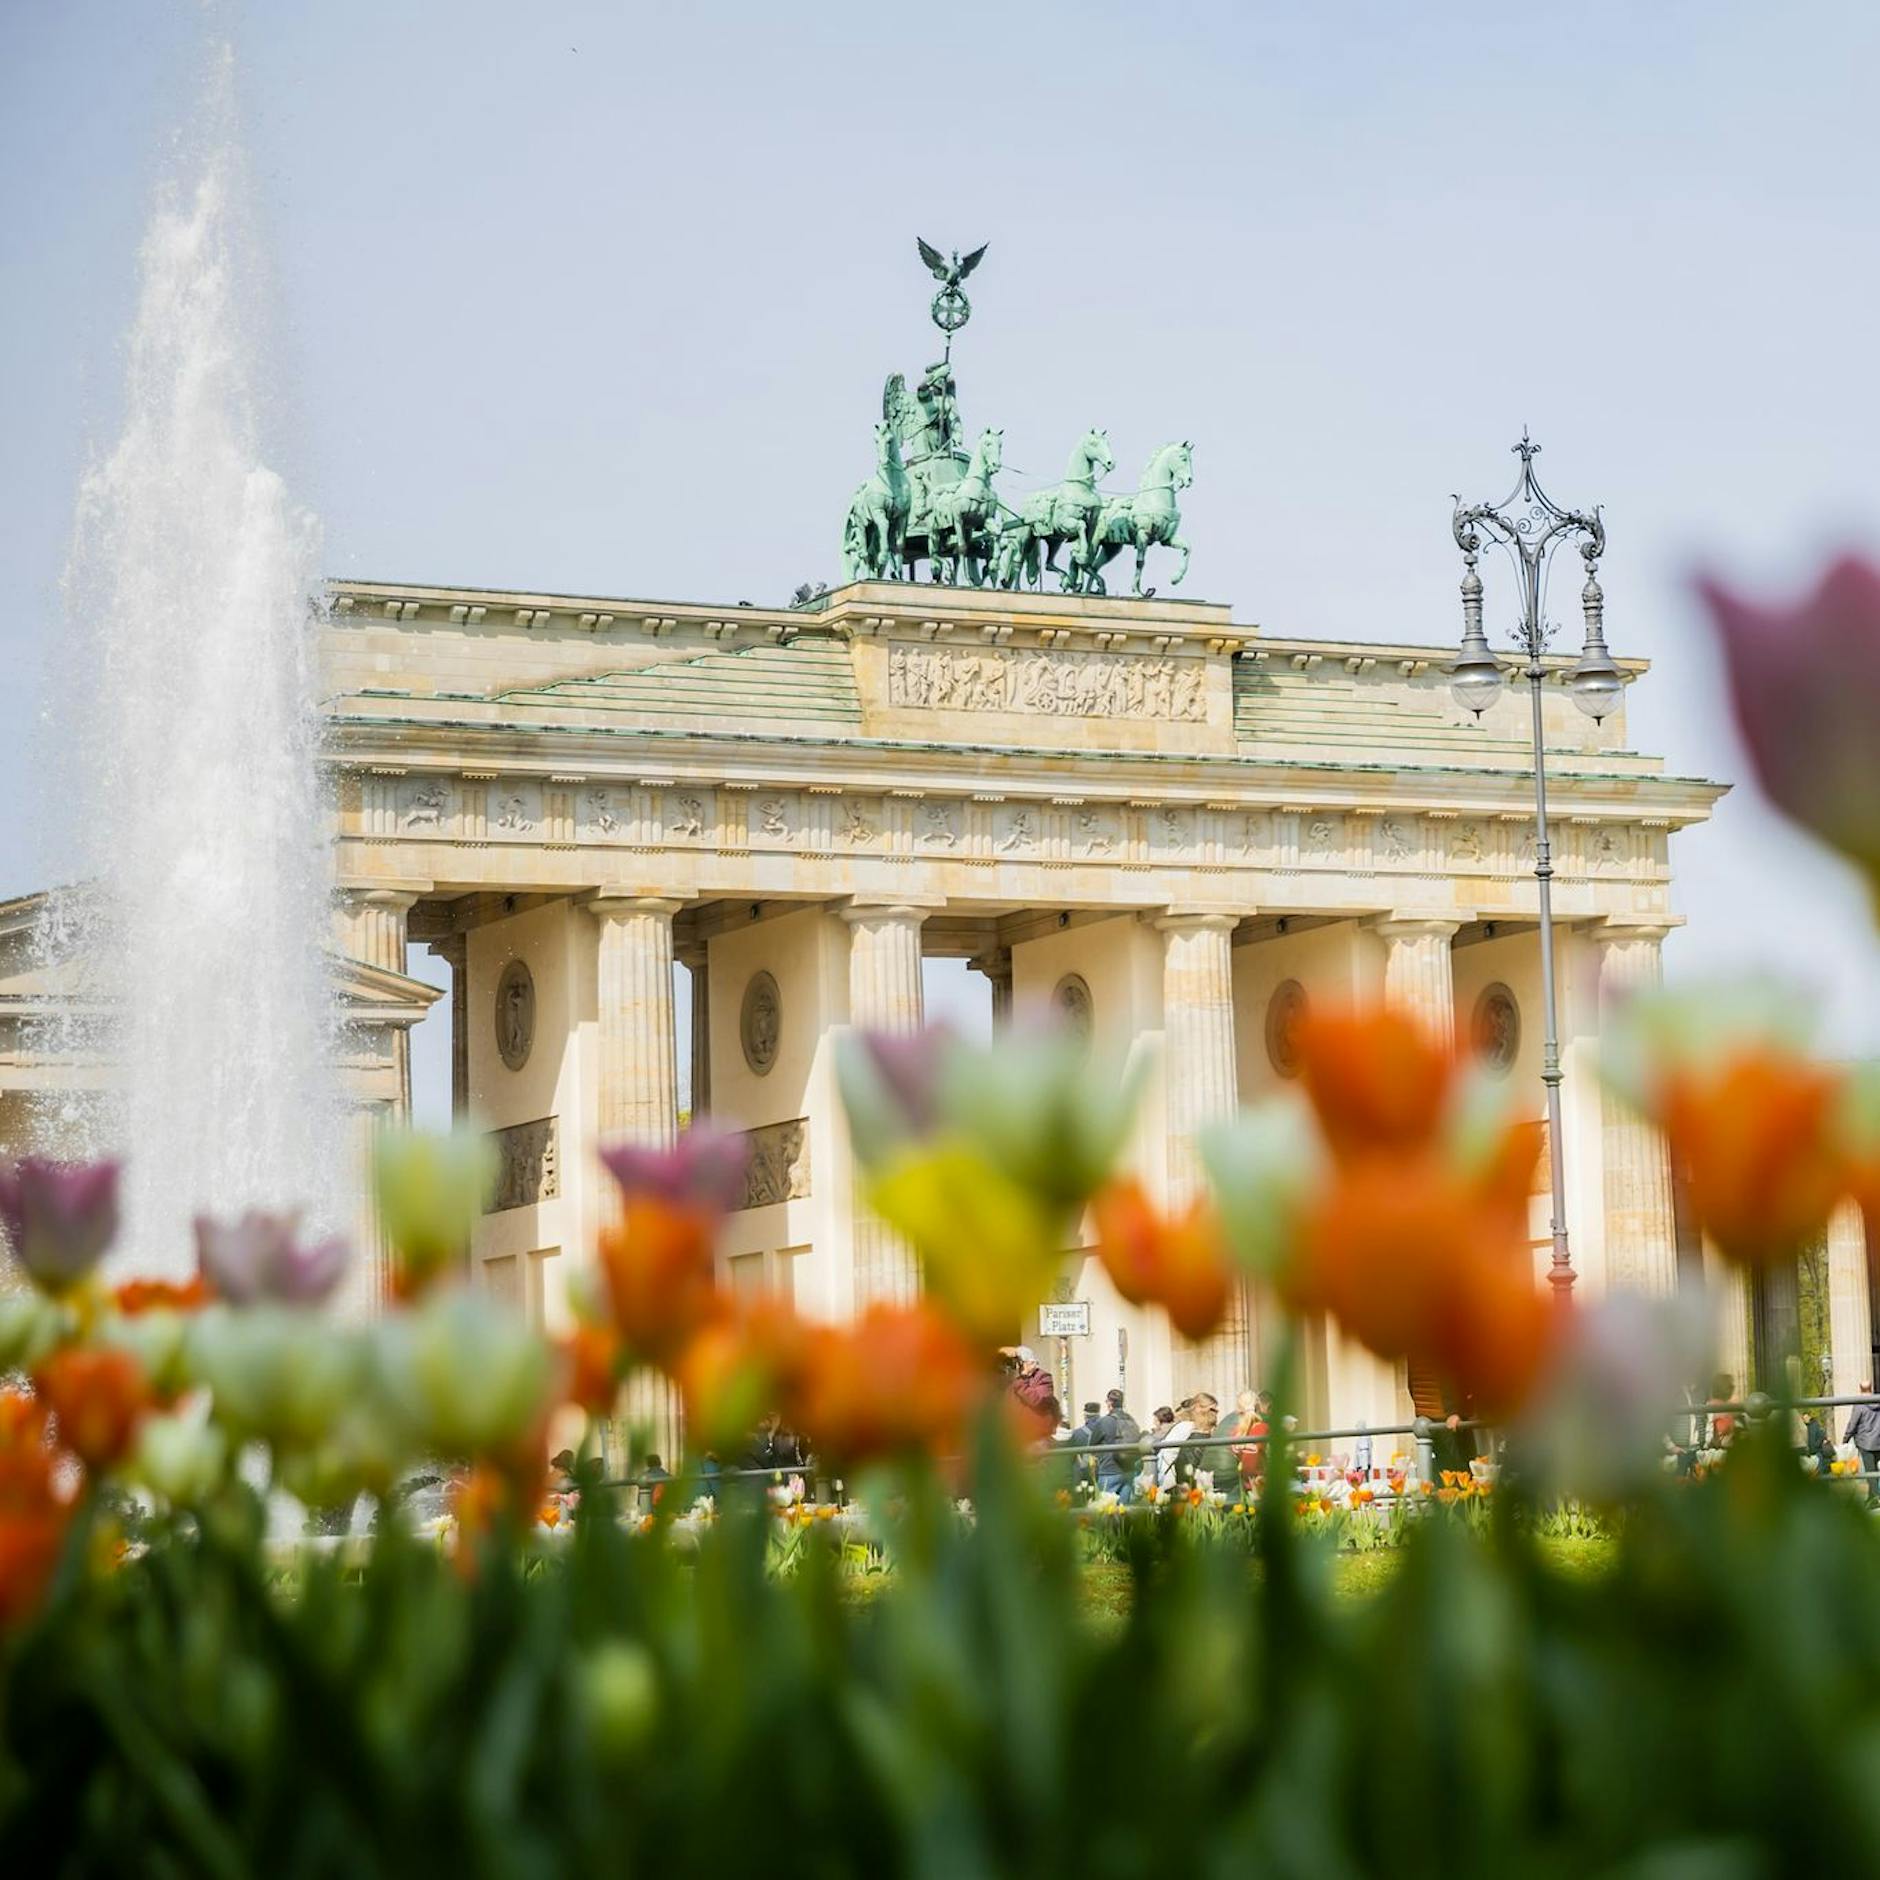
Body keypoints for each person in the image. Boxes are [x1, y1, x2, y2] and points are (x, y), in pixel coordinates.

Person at [1090, 1389, 1141, 1499]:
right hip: (1129, 1470)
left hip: (1109, 1471)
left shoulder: (1104, 1421)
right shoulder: (1131, 1420)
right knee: (1125, 1507)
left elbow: (1091, 1445)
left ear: (1109, 1403)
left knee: (1106, 1506)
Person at [1845, 1386, 1880, 1499]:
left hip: (1865, 1443)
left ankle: (1877, 1498)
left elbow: (1852, 1424)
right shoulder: (1878, 1401)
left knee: (1870, 1473)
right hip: (1878, 1441)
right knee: (1875, 1472)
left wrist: (1845, 1439)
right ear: (1871, 1388)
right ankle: (1871, 1498)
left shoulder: (1859, 1404)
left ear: (1860, 1389)